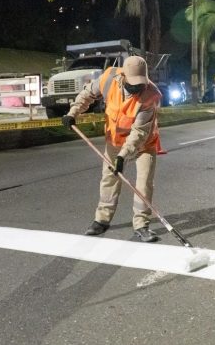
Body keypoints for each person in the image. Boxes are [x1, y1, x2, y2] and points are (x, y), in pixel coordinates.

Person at [61, 56, 162, 242]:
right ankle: (101, 221)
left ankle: (141, 225)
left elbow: (139, 133)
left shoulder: (151, 95)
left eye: (140, 83)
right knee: (109, 178)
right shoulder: (108, 79)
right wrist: (72, 112)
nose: (137, 88)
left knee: (144, 182)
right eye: (133, 84)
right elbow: (87, 94)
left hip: (143, 144)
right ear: (123, 75)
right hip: (114, 140)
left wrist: (124, 156)